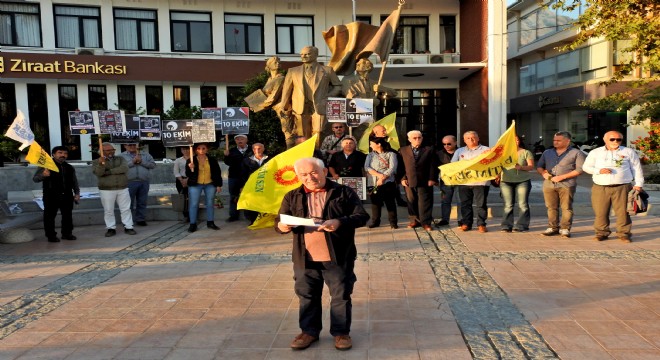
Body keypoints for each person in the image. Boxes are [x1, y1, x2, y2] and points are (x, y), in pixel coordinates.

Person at [276, 157, 369, 351]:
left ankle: (341, 333)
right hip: (305, 257)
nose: (309, 178)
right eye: (303, 175)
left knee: (340, 295)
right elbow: (280, 220)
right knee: (307, 295)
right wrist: (282, 226)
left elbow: (361, 216)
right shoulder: (292, 196)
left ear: (324, 171)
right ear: (297, 177)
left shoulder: (343, 192)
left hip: (337, 255)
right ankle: (309, 332)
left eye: (313, 172)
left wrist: (339, 222)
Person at [582, 131, 644, 242]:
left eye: (618, 139)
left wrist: (638, 184)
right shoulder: (595, 152)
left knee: (623, 212)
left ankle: (624, 233)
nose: (615, 141)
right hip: (600, 187)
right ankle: (601, 233)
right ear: (605, 140)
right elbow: (586, 167)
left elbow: (636, 168)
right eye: (612, 139)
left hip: (622, 186)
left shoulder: (628, 152)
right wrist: (599, 171)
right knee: (600, 212)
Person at [278, 46, 342, 145]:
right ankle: (304, 156)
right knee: (302, 134)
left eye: (307, 54)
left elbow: (338, 86)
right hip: (300, 106)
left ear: (316, 55)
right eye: (302, 54)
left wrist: (327, 97)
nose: (304, 56)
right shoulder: (293, 71)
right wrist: (284, 105)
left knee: (319, 131)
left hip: (320, 106)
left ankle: (318, 155)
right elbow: (287, 90)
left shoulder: (327, 70)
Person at [536, 131, 586, 238]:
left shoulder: (576, 153)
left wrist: (562, 177)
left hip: (567, 184)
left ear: (567, 141)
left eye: (558, 140)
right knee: (551, 207)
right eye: (554, 140)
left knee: (566, 207)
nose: (555, 142)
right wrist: (543, 173)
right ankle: (552, 227)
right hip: (549, 184)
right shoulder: (547, 152)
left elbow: (580, 170)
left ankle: (565, 229)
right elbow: (540, 166)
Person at [32, 146, 80, 242]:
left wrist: (77, 193)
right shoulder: (46, 166)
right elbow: (35, 179)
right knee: (49, 216)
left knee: (67, 215)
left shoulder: (69, 167)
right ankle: (51, 236)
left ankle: (67, 233)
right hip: (51, 195)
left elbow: (74, 181)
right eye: (60, 153)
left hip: (67, 195)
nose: (63, 155)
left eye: (65, 153)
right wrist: (43, 175)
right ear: (53, 154)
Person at [92, 143, 137, 237]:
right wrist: (101, 164)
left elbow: (124, 168)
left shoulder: (120, 159)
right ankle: (111, 228)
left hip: (122, 187)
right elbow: (99, 173)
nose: (111, 152)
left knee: (125, 209)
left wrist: (108, 172)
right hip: (106, 189)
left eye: (112, 150)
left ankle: (129, 227)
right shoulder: (96, 161)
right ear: (102, 151)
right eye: (108, 150)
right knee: (108, 210)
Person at [399, 130, 439, 231]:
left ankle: (426, 222)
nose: (417, 140)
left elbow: (433, 165)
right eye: (414, 138)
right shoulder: (403, 150)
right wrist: (403, 178)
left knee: (425, 202)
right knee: (411, 201)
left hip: (425, 180)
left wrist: (432, 178)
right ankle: (414, 220)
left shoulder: (429, 149)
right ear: (409, 139)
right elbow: (400, 166)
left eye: (419, 137)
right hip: (409, 180)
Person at [451, 131, 490, 233]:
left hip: (481, 182)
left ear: (478, 138)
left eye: (473, 137)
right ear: (464, 140)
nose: (471, 140)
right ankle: (466, 223)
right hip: (464, 182)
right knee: (465, 204)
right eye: (468, 138)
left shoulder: (486, 150)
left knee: (481, 204)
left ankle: (481, 224)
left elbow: (491, 163)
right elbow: (453, 164)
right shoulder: (459, 151)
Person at [255, 56, 296, 148]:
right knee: (286, 131)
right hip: (276, 108)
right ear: (269, 65)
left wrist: (258, 106)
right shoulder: (270, 80)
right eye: (275, 62)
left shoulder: (281, 78)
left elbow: (273, 97)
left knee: (288, 132)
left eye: (278, 62)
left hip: (284, 107)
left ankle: (291, 152)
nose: (278, 63)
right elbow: (264, 94)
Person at [497, 136, 534, 232]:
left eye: (517, 140)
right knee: (508, 204)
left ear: (519, 141)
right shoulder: (503, 153)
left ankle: (522, 225)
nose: (515, 142)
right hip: (506, 181)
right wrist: (497, 175)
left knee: (522, 204)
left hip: (523, 181)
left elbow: (531, 167)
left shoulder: (526, 152)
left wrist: (521, 167)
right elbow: (497, 166)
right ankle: (506, 226)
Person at [186, 143, 222, 232]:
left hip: (209, 184)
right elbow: (188, 174)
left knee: (210, 203)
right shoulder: (191, 160)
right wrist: (190, 167)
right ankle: (193, 224)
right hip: (195, 184)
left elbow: (217, 172)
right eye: (198, 148)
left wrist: (218, 185)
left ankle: (210, 222)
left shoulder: (212, 160)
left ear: (207, 149)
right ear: (195, 150)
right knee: (194, 204)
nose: (201, 150)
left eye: (203, 148)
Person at [364, 137, 399, 229]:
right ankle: (375, 221)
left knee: (390, 202)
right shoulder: (370, 155)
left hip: (388, 182)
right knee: (375, 203)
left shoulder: (391, 154)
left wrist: (383, 177)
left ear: (379, 144)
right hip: (374, 182)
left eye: (372, 143)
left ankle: (393, 222)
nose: (370, 145)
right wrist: (379, 176)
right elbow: (367, 167)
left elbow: (392, 168)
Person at [119, 143, 155, 226]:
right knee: (128, 203)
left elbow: (153, 165)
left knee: (142, 201)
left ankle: (140, 219)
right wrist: (132, 162)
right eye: (130, 145)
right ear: (125, 146)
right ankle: (128, 221)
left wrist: (142, 161)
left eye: (134, 145)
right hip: (129, 182)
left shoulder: (145, 154)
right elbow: (121, 168)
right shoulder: (121, 156)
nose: (132, 147)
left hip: (144, 181)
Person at [224, 134, 252, 222]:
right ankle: (233, 215)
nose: (240, 140)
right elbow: (227, 163)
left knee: (249, 196)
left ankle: (249, 215)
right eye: (237, 139)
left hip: (248, 177)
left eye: (242, 139)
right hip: (234, 176)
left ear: (246, 140)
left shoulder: (252, 150)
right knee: (234, 196)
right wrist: (226, 156)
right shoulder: (231, 150)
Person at [241, 143, 270, 225]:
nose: (257, 150)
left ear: (263, 149)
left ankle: (265, 219)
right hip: (252, 186)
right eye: (255, 149)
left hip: (266, 185)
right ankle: (253, 220)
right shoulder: (247, 160)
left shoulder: (269, 159)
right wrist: (243, 186)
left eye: (259, 148)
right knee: (253, 203)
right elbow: (243, 174)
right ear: (253, 150)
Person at [436, 135, 459, 227]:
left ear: (455, 142)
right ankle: (445, 219)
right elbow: (435, 168)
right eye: (444, 144)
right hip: (445, 181)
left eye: (449, 143)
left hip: (459, 180)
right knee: (445, 201)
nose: (446, 146)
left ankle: (461, 220)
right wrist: (434, 179)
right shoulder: (439, 154)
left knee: (460, 201)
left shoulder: (462, 152)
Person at [173, 146, 191, 222]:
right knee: (183, 198)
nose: (186, 151)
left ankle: (192, 215)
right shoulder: (178, 160)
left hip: (191, 179)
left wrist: (187, 179)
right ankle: (186, 216)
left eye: (187, 149)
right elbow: (176, 171)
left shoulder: (194, 158)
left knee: (192, 198)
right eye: (184, 149)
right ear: (181, 150)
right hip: (180, 180)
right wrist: (182, 180)